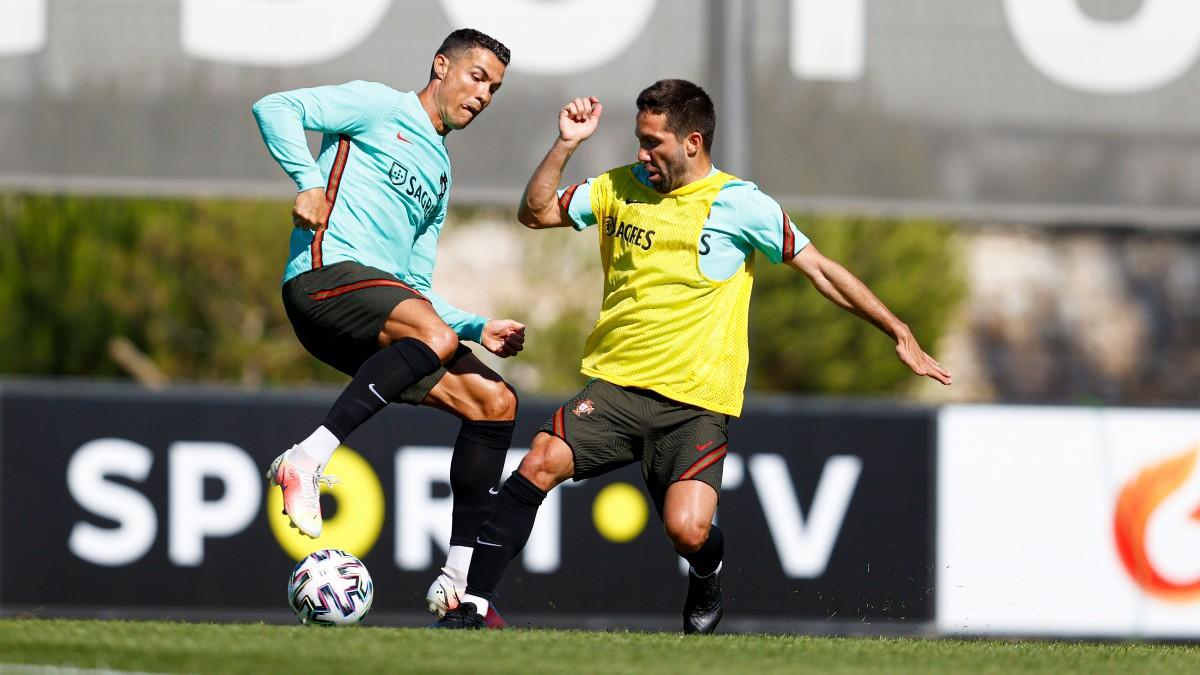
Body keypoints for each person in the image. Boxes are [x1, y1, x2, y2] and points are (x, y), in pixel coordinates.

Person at [432, 79, 952, 633]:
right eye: (638, 139)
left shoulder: (740, 204)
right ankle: (476, 607)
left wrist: (898, 331)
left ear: (692, 142)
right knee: (537, 463)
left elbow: (821, 269)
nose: (641, 153)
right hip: (615, 388)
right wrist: (566, 144)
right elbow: (534, 213)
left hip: (695, 405)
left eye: (653, 142)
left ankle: (707, 573)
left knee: (689, 532)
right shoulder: (619, 187)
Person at [251, 28, 522, 626]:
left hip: (380, 312)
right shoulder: (379, 106)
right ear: (441, 65)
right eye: (476, 77)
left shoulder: (441, 176)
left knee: (494, 401)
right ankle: (307, 458)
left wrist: (478, 325)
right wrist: (308, 181)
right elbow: (276, 107)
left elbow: (415, 289)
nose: (482, 95)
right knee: (434, 337)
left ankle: (456, 583)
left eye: (494, 89)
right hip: (323, 279)